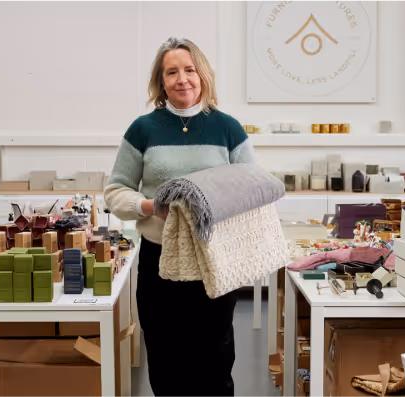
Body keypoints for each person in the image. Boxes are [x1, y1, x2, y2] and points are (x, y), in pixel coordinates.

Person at [104, 37, 256, 397]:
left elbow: (252, 189)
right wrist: (149, 206)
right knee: (165, 358)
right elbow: (115, 191)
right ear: (161, 81)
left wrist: (217, 201)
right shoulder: (143, 129)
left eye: (189, 70)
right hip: (159, 262)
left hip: (213, 259)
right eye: (171, 72)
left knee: (215, 359)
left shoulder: (228, 128)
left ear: (203, 75)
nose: (182, 79)